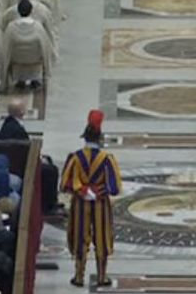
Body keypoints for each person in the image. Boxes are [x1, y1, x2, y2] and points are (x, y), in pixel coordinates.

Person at [62, 110, 122, 288]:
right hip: (101, 204)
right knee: (102, 238)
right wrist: (98, 191)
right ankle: (102, 276)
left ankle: (79, 276)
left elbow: (65, 183)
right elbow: (115, 187)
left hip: (80, 204)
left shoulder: (75, 158)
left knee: (80, 237)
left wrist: (82, 189)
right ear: (100, 138)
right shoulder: (107, 159)